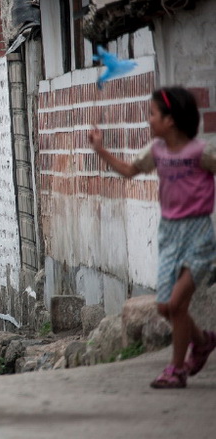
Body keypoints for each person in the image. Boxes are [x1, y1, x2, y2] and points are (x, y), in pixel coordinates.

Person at [89, 86, 216, 389]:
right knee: (164, 307)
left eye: (152, 114)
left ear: (170, 120)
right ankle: (202, 342)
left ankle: (176, 369)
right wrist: (101, 150)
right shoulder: (156, 152)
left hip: (198, 236)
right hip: (169, 235)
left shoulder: (200, 153)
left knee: (176, 304)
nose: (148, 120)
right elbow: (130, 171)